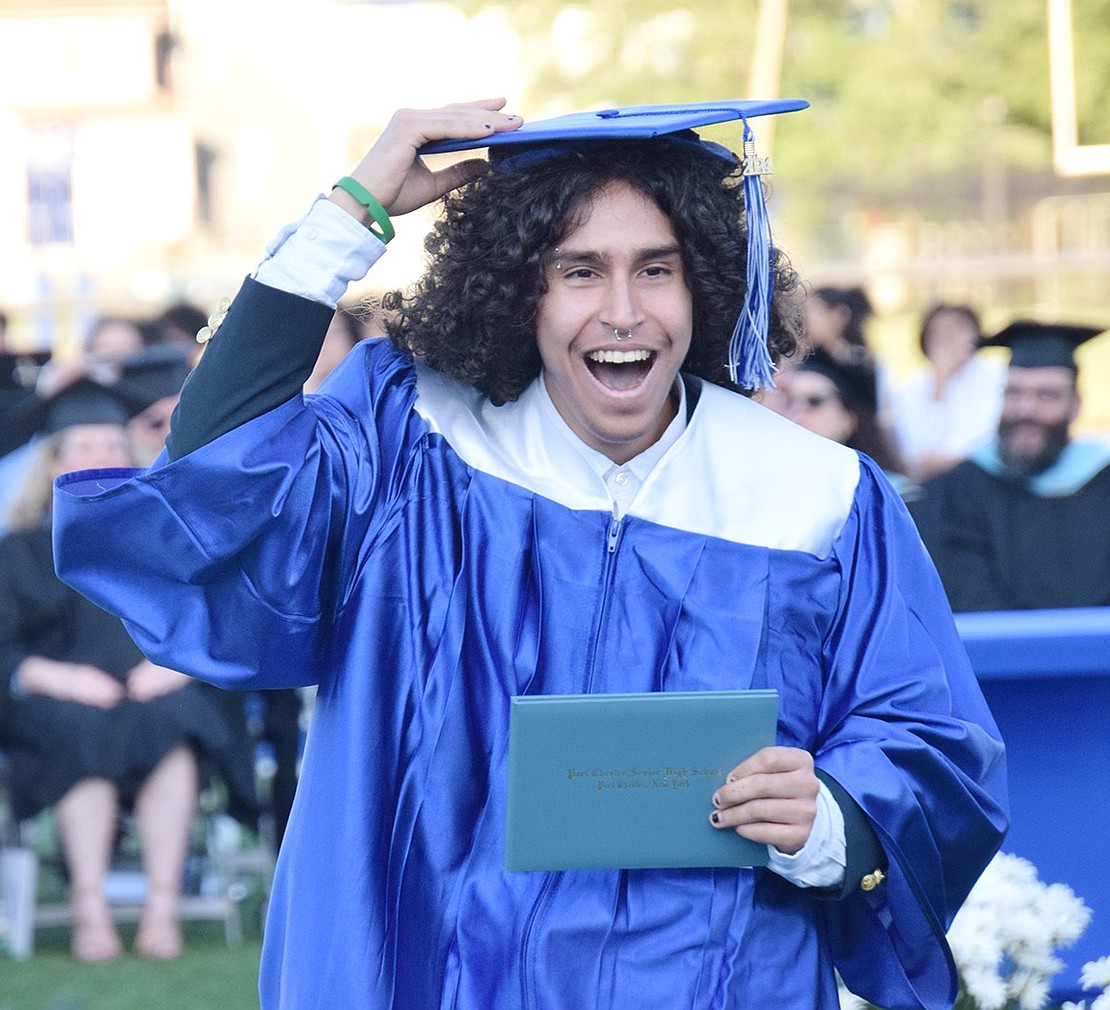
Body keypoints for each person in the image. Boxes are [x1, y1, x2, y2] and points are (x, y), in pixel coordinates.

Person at [52, 99, 1006, 1009]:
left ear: (707, 283)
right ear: (519, 289)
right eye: (579, 270)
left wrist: (831, 815)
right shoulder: (409, 443)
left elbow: (930, 742)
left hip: (713, 973)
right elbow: (219, 472)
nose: (623, 311)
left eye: (657, 269)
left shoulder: (816, 499)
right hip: (435, 963)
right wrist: (351, 212)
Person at [0, 378, 259, 962]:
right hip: (56, 700)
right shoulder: (17, 549)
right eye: (82, 448)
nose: (100, 459)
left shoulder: (166, 536)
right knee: (79, 731)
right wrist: (57, 678)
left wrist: (178, 668)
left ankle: (160, 909)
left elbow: (214, 618)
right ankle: (89, 909)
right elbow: (4, 648)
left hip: (158, 690)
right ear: (53, 464)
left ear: (133, 455)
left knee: (175, 726)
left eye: (111, 446)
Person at [911, 319, 1110, 611]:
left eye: (1047, 395)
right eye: (1014, 393)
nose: (1026, 409)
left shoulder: (1102, 482)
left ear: (1076, 405)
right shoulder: (956, 492)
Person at [889, 304, 1005, 484]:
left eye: (957, 328)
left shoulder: (1001, 376)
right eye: (938, 333)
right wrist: (939, 386)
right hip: (936, 487)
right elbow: (916, 455)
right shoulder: (909, 390)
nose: (949, 338)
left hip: (994, 481)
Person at [772, 353, 909, 493]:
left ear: (848, 420)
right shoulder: (773, 487)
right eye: (788, 401)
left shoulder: (889, 492)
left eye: (814, 401)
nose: (798, 410)